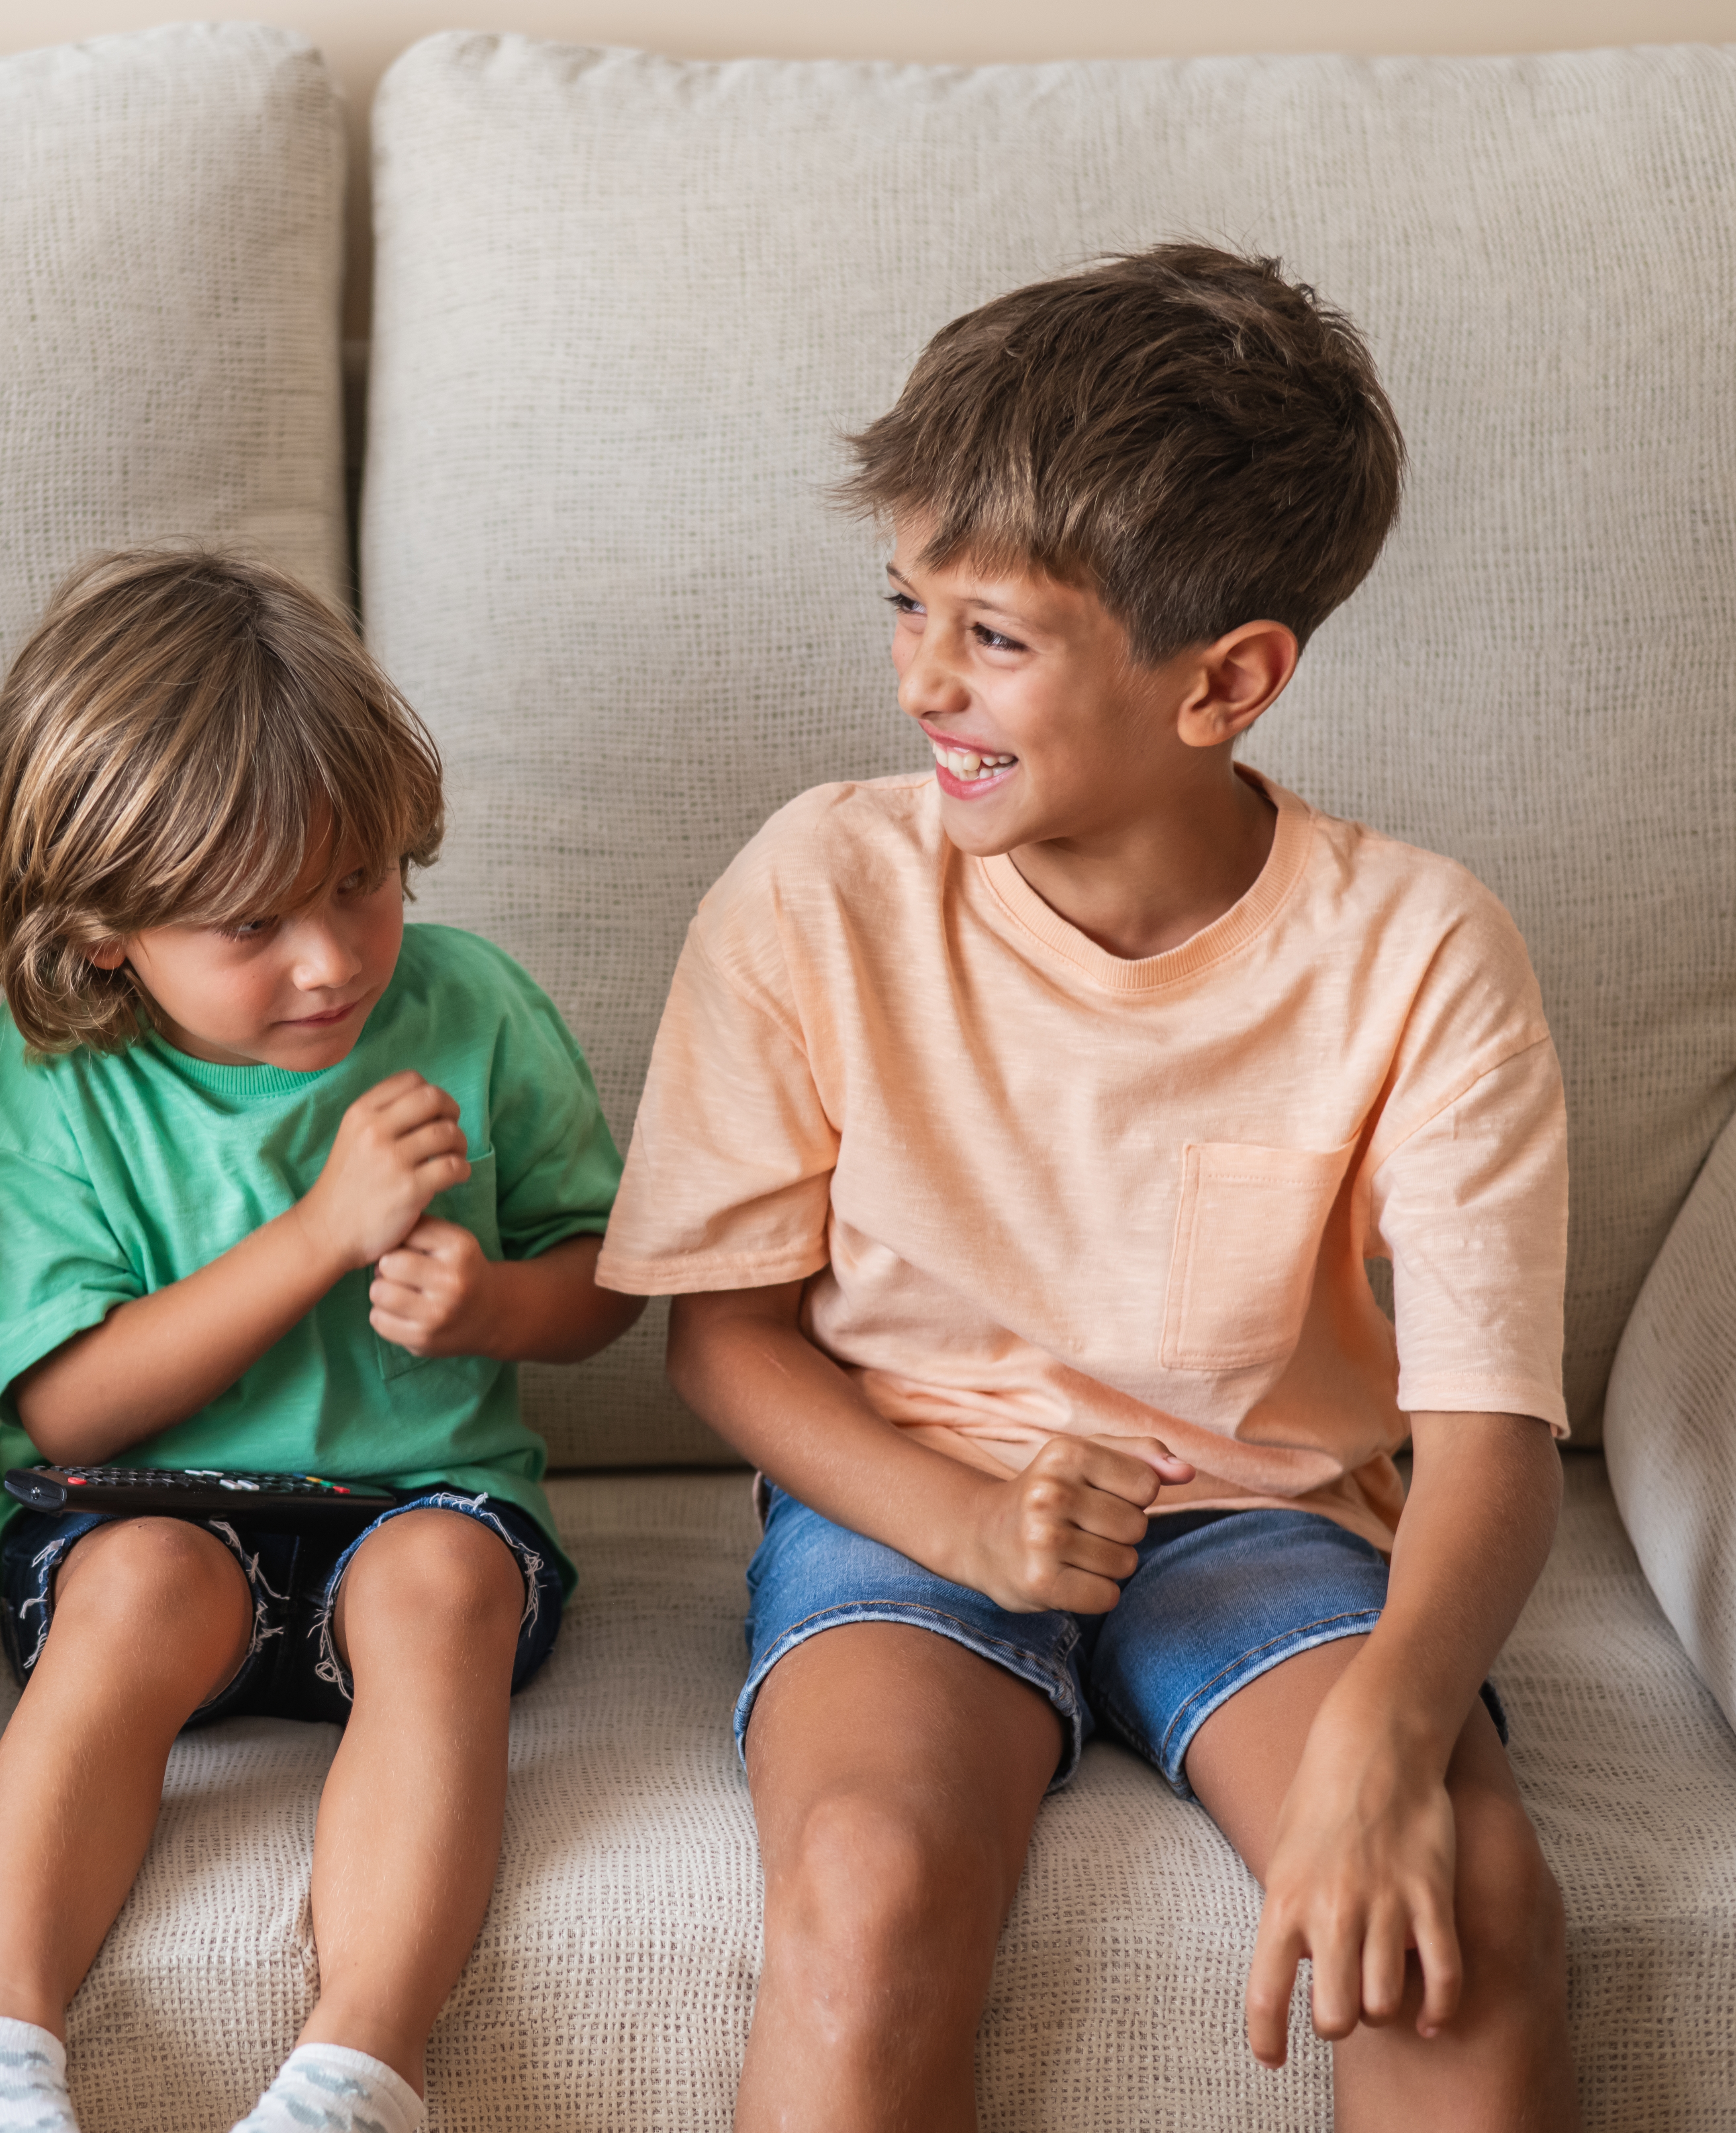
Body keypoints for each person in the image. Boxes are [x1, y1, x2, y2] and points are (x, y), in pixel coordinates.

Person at [598, 244, 1581, 2130]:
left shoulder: (1417, 950)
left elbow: (1485, 1431)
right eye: (904, 606)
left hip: (1266, 1519)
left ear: (1224, 681)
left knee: (1460, 1912)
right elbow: (717, 1345)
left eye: (989, 636)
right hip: (906, 1499)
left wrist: (1388, 1736)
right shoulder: (818, 890)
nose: (915, 682)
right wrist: (960, 1521)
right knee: (868, 1890)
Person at [0, 549, 641, 2133]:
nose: (329, 957)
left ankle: (357, 2070)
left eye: (362, 880)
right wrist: (319, 1231)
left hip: (417, 1509)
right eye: (250, 921)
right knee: (144, 1576)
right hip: (143, 1511)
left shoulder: (474, 1008)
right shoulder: (62, 1077)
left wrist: (496, 1304)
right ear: (101, 930)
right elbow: (68, 1416)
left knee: (439, 1581)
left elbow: (607, 1279)